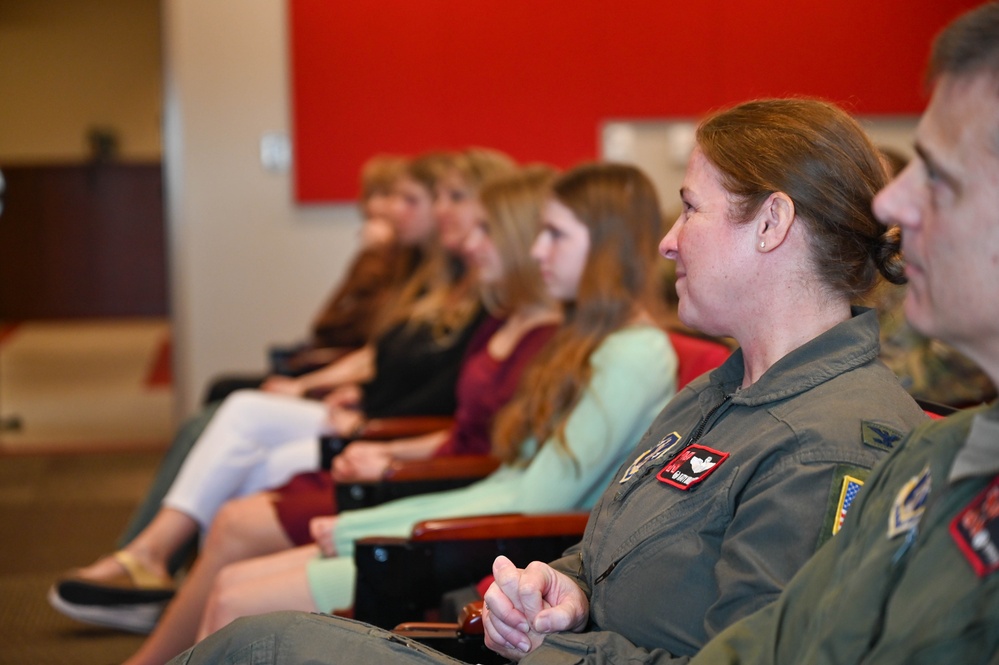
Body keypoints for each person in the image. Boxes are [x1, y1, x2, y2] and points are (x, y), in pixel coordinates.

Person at [166, 98, 929, 665]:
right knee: (255, 642)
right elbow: (606, 547)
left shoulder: (825, 446)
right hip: (555, 651)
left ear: (770, 225)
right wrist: (562, 590)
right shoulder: (721, 390)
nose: (665, 242)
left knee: (259, 648)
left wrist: (553, 647)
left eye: (689, 208)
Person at [179, 161, 678, 650]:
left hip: (508, 554)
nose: (537, 249)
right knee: (229, 586)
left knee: (233, 601)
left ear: (606, 246)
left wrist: (360, 528)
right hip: (484, 532)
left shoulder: (634, 354)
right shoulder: (587, 339)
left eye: (555, 234)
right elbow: (507, 480)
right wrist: (362, 528)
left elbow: (533, 495)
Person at [104, 166, 566, 665]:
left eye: (485, 229)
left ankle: (150, 590)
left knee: (237, 533)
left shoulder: (545, 336)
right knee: (236, 458)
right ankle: (152, 589)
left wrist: (379, 453)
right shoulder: (497, 316)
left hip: (433, 494)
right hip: (418, 469)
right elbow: (368, 346)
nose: (466, 238)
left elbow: (502, 468)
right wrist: (382, 446)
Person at [686, 4, 999, 661]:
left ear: (772, 225)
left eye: (937, 175)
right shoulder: (937, 455)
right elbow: (771, 646)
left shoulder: (848, 435)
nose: (888, 203)